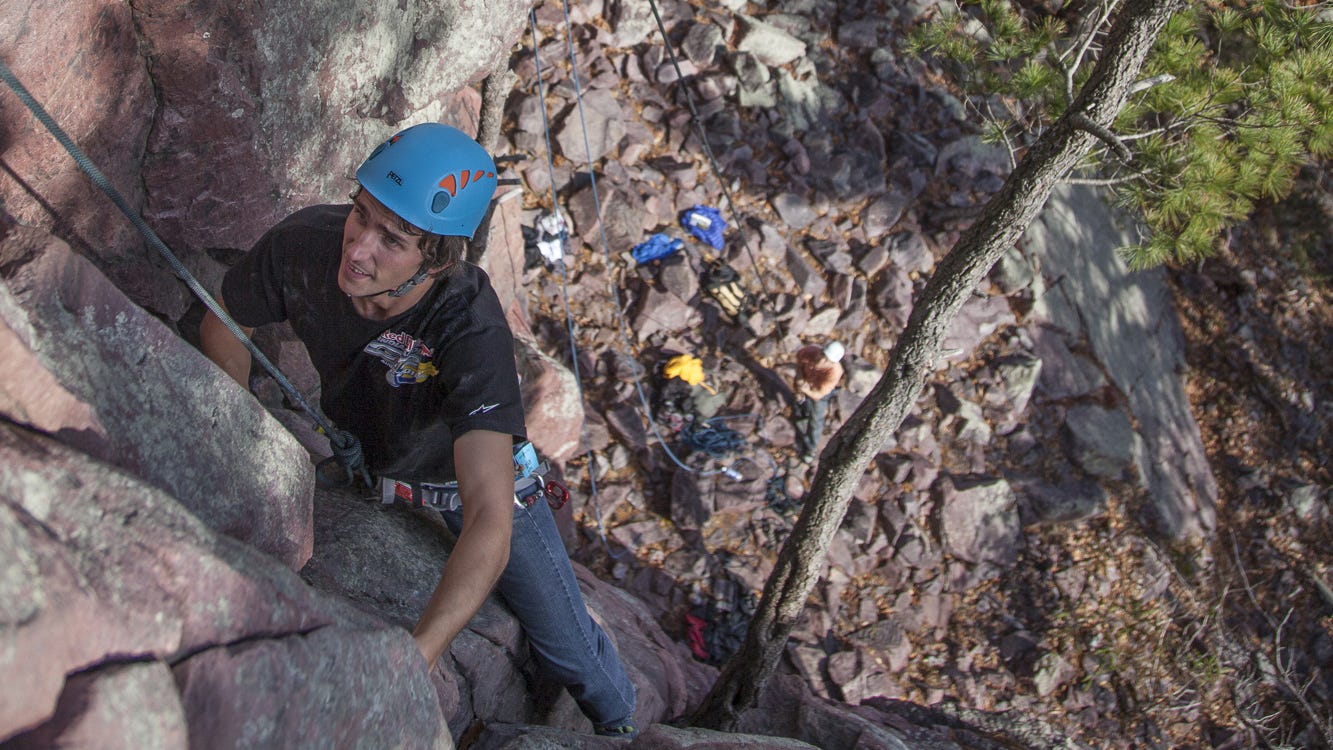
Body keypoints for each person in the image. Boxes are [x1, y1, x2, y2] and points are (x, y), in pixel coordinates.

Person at [199, 123, 638, 738]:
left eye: (392, 238)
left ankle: (622, 725)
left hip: (465, 483)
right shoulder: (306, 245)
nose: (357, 249)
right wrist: (234, 429)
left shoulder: (470, 332)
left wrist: (420, 651)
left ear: (437, 259)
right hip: (374, 457)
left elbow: (490, 514)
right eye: (361, 214)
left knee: (565, 640)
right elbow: (227, 316)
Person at [793, 340, 845, 461]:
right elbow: (799, 361)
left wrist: (805, 389)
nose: (821, 360)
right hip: (806, 380)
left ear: (832, 362)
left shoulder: (834, 373)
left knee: (816, 419)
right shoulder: (810, 351)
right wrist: (800, 377)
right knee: (800, 400)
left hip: (819, 393)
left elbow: (818, 395)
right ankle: (802, 411)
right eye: (822, 354)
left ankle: (811, 448)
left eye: (827, 360)